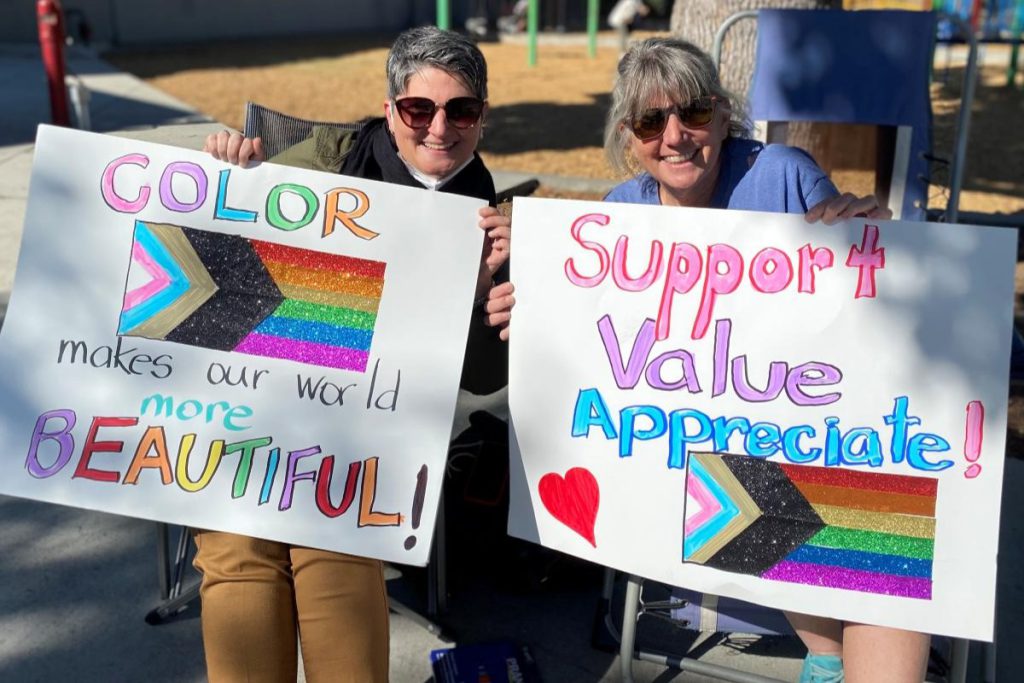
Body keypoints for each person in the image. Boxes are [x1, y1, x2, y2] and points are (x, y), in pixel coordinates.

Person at [483, 37, 930, 683]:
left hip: (814, 428)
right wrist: (525, 315)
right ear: (629, 137)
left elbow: (866, 313)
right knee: (796, 505)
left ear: (723, 115)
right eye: (649, 122)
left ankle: (832, 657)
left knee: (888, 538)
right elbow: (591, 354)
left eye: (692, 113)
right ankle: (828, 658)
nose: (674, 136)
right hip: (694, 459)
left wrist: (867, 234)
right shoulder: (620, 218)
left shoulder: (781, 175)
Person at [199, 26, 510, 683]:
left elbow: (481, 380)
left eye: (461, 110)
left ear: (482, 117)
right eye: (418, 109)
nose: (438, 129)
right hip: (250, 398)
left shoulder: (493, 221)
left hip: (362, 427)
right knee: (236, 540)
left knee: (335, 538)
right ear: (392, 108)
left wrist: (485, 301)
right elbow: (220, 251)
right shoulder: (318, 163)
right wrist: (228, 177)